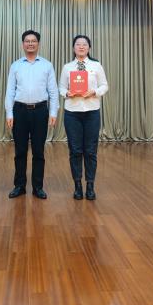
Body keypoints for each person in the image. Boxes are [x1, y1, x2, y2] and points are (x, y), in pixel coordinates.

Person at [5, 30, 59, 199]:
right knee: (20, 151)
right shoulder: (15, 65)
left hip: (40, 111)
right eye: (27, 41)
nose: (30, 43)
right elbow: (10, 91)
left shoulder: (47, 65)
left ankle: (38, 187)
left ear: (38, 44)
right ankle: (19, 186)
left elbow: (53, 91)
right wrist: (9, 113)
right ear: (23, 44)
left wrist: (53, 112)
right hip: (19, 111)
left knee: (38, 151)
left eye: (33, 41)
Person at [59, 35, 108, 200]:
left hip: (92, 112)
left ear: (89, 48)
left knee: (91, 150)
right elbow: (61, 87)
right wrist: (67, 93)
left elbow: (104, 85)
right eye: (78, 44)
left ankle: (90, 186)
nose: (81, 47)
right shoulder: (67, 67)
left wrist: (95, 92)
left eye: (84, 44)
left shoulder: (96, 65)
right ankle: (78, 186)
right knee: (75, 150)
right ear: (73, 48)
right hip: (72, 113)